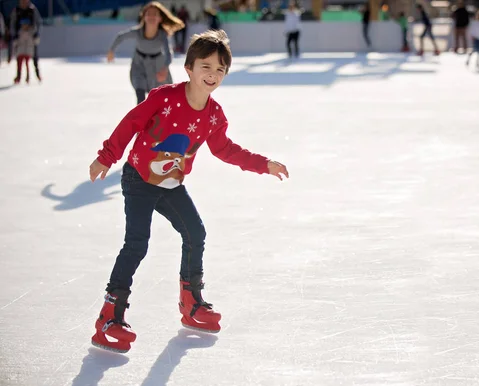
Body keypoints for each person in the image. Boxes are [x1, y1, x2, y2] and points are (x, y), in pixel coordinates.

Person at [88, 29, 290, 354]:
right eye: (205, 67)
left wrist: (263, 163)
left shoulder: (213, 115)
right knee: (137, 243)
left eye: (219, 69)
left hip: (170, 185)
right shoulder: (164, 97)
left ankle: (191, 303)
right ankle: (109, 317)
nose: (212, 75)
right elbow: (131, 122)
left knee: (195, 232)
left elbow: (225, 149)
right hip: (139, 178)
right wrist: (106, 156)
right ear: (189, 69)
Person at [107, 1, 185, 105]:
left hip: (157, 66)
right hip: (139, 65)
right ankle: (141, 119)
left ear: (160, 18)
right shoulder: (138, 32)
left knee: (159, 98)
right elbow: (120, 36)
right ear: (143, 17)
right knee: (140, 94)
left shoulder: (162, 35)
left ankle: (158, 119)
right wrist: (111, 50)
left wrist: (165, 68)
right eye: (149, 14)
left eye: (155, 14)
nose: (152, 17)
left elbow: (168, 54)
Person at [9, 0, 42, 81]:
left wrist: (36, 33)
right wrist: (14, 35)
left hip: (31, 36)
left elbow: (38, 22)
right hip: (20, 36)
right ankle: (18, 75)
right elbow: (12, 23)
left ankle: (37, 74)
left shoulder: (32, 9)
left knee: (33, 56)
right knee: (19, 56)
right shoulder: (16, 10)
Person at [12, 17, 34, 83]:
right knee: (19, 64)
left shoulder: (31, 32)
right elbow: (16, 42)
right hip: (20, 50)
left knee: (27, 64)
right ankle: (18, 77)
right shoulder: (19, 32)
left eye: (25, 25)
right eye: (23, 25)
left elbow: (34, 42)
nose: (24, 26)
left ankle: (27, 76)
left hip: (27, 51)